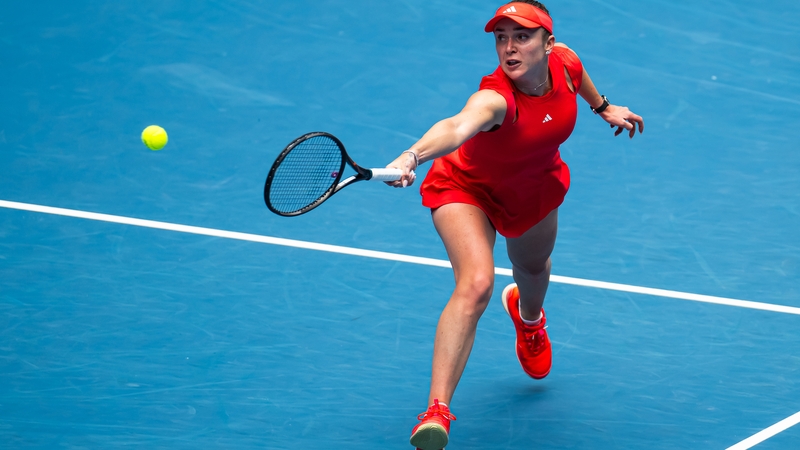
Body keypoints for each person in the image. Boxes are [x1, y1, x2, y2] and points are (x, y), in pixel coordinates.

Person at [385, 1, 644, 449]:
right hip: (465, 187)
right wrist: (412, 155)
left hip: (532, 187)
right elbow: (456, 125)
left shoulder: (565, 63)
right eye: (501, 37)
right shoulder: (495, 98)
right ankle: (436, 410)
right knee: (476, 283)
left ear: (548, 43)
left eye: (521, 36)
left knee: (533, 268)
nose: (508, 47)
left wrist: (602, 107)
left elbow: (579, 78)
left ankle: (528, 319)